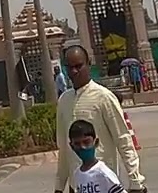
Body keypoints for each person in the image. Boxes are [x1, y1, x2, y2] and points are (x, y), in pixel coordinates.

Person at [54, 44, 146, 193]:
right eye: (70, 67)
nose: (74, 71)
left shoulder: (104, 97)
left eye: (78, 66)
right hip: (76, 186)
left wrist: (136, 181)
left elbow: (123, 140)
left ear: (88, 64)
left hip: (103, 184)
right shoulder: (64, 101)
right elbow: (64, 149)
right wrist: (59, 187)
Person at [68, 118, 125, 193]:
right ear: (72, 146)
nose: (82, 147)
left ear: (96, 142)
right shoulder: (77, 174)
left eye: (86, 142)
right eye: (77, 144)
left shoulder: (103, 173)